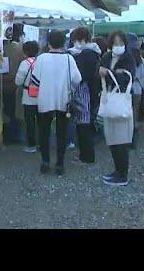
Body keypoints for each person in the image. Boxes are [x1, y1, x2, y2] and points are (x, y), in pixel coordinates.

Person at [31, 30, 82, 175]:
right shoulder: (68, 59)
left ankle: (45, 162)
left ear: (48, 43)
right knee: (62, 133)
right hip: (63, 100)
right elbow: (77, 79)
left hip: (44, 100)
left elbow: (35, 81)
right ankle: (59, 164)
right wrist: (69, 88)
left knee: (44, 132)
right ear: (64, 42)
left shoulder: (41, 59)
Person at [99, 30, 136, 186]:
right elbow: (101, 73)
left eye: (121, 43)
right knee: (111, 138)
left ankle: (123, 174)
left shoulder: (128, 58)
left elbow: (126, 78)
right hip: (109, 99)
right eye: (115, 43)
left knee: (121, 140)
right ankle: (117, 170)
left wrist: (109, 73)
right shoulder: (106, 57)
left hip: (121, 101)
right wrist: (110, 73)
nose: (118, 46)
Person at [68, 27, 102, 164]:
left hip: (85, 92)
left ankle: (86, 156)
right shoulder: (93, 52)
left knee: (84, 125)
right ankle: (85, 155)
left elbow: (83, 75)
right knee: (85, 124)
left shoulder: (87, 53)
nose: (75, 43)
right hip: (91, 91)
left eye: (76, 39)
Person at [15, 40, 40, 153]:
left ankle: (32, 145)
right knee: (42, 121)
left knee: (30, 121)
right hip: (42, 95)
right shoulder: (41, 62)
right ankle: (42, 143)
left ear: (25, 52)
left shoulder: (25, 64)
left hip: (28, 96)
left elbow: (18, 81)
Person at [2, 23, 25, 145]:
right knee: (15, 111)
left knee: (5, 110)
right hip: (16, 83)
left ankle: (6, 135)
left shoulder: (3, 48)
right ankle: (15, 136)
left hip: (3, 82)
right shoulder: (21, 49)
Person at [130, 35, 144, 149]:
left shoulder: (125, 58)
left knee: (127, 115)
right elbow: (142, 75)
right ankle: (133, 139)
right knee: (135, 114)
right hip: (137, 89)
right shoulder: (141, 59)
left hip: (126, 90)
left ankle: (126, 138)